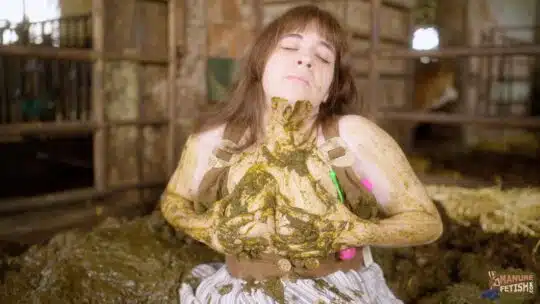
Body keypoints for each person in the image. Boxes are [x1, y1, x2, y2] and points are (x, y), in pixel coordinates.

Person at [160, 5, 443, 304]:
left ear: (328, 91)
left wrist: (359, 231)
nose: (305, 60)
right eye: (290, 46)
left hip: (339, 290)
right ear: (260, 65)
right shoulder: (212, 142)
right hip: (237, 291)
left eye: (323, 57)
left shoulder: (354, 137)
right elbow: (174, 200)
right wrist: (205, 228)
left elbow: (426, 222)